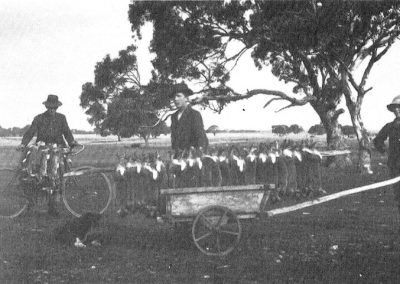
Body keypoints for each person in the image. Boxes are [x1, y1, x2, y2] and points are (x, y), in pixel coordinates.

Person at [17, 94, 79, 216]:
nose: (52, 110)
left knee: (56, 176)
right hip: (41, 150)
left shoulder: (62, 118)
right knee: (33, 175)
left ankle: (53, 207)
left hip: (57, 149)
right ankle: (31, 202)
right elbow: (30, 133)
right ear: (46, 106)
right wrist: (23, 144)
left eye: (54, 108)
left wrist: (71, 142)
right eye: (50, 107)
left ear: (57, 108)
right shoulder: (39, 118)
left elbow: (67, 132)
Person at [374, 95, 400, 214]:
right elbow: (377, 141)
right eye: (395, 108)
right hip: (395, 166)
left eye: (399, 107)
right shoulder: (390, 126)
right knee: (398, 195)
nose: (397, 110)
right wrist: (384, 151)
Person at [170, 83, 208, 156]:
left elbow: (201, 139)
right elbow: (174, 139)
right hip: (178, 157)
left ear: (186, 98)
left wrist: (198, 155)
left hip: (192, 157)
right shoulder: (173, 117)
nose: (175, 99)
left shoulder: (194, 114)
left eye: (178, 96)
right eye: (174, 97)